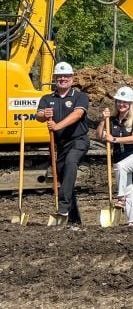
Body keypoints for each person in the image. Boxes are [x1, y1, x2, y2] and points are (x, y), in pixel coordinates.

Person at [36, 62, 90, 225]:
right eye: (59, 76)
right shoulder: (47, 98)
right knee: (64, 178)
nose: (63, 79)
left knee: (71, 162)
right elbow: (38, 116)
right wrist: (44, 115)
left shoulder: (80, 96)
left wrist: (57, 125)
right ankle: (74, 220)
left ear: (72, 78)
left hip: (78, 140)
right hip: (60, 145)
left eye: (66, 76)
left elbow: (78, 114)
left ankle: (63, 207)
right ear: (55, 79)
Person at [96, 86, 133, 226]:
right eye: (119, 101)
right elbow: (100, 136)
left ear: (130, 104)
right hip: (120, 158)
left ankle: (121, 198)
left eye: (125, 102)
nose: (121, 105)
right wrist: (101, 121)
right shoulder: (111, 121)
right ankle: (132, 220)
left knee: (121, 167)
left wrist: (115, 140)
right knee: (127, 185)